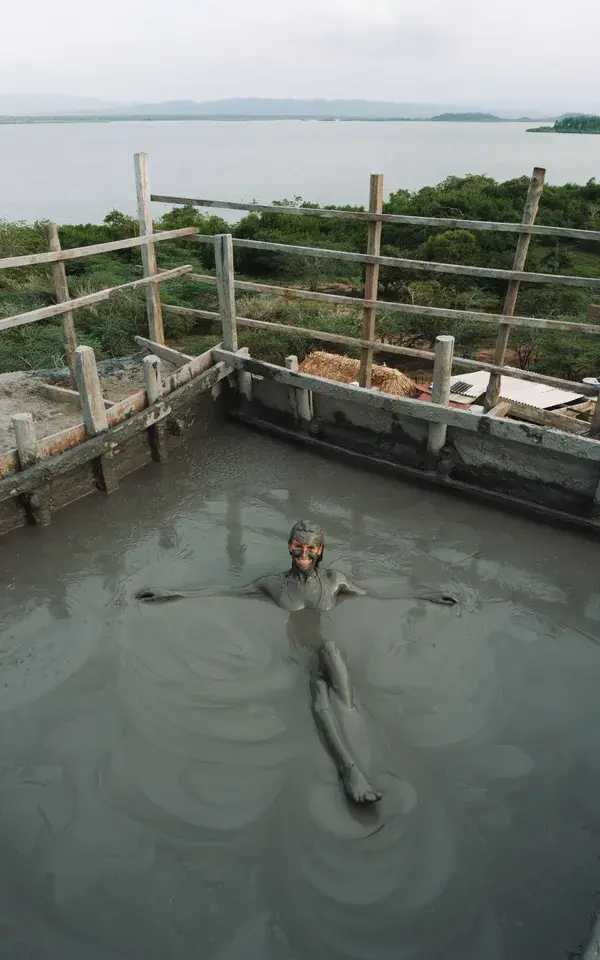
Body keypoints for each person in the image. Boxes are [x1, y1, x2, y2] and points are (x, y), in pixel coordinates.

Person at [136, 520, 458, 805]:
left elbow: (373, 595)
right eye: (297, 546)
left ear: (320, 551)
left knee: (334, 666)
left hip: (330, 651)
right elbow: (228, 590)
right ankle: (350, 770)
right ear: (289, 547)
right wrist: (176, 593)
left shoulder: (334, 581)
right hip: (302, 657)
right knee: (319, 697)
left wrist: (424, 596)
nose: (303, 554)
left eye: (310, 548)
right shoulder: (274, 585)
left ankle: (360, 738)